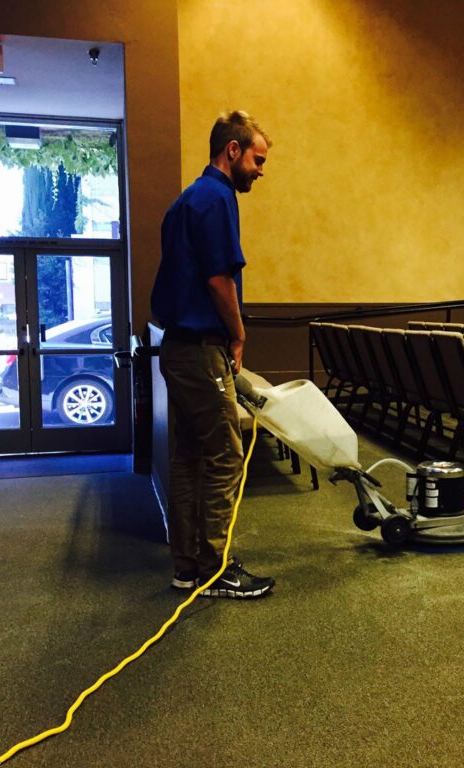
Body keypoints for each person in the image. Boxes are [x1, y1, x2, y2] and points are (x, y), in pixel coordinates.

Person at [150, 110, 274, 598]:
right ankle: (216, 570)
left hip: (175, 349)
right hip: (201, 352)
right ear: (233, 151)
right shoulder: (217, 198)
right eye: (257, 160)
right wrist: (238, 335)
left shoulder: (185, 200)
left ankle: (187, 567)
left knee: (189, 459)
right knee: (226, 455)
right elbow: (219, 280)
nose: (260, 171)